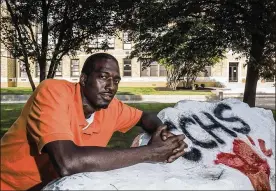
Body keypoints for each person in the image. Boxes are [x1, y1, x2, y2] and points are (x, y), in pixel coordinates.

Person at [1, 53, 187, 190]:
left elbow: (145, 117)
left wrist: (161, 131)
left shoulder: (112, 107)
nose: (111, 87)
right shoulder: (53, 92)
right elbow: (69, 163)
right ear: (83, 79)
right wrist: (151, 152)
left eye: (116, 80)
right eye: (103, 77)